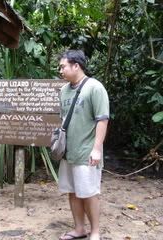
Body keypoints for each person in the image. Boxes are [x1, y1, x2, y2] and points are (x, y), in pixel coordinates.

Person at [57, 50, 109, 240]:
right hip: (68, 152)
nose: (60, 70)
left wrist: (97, 149)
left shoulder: (95, 87)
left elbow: (102, 120)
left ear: (76, 66)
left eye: (63, 66)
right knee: (72, 191)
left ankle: (95, 232)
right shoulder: (63, 91)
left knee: (89, 193)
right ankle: (79, 229)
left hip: (87, 151)